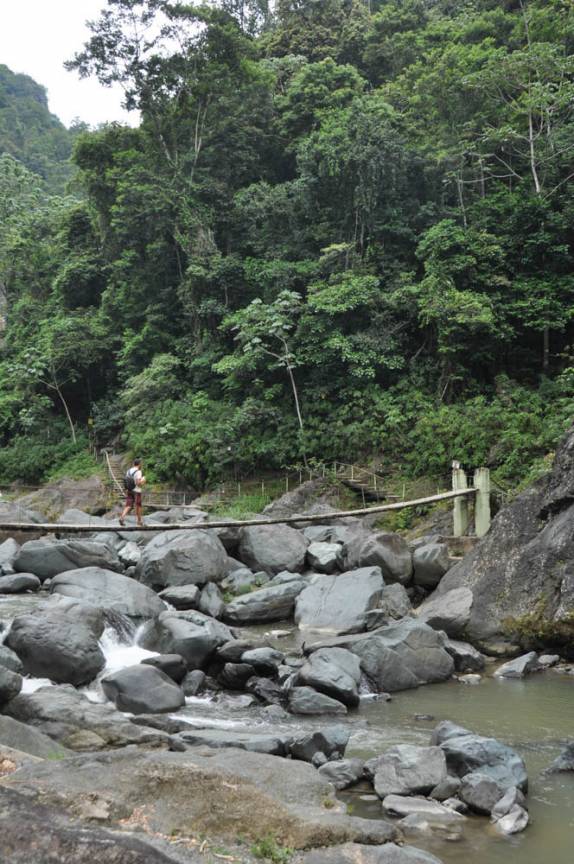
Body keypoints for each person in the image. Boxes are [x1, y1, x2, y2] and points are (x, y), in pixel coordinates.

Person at [119, 458, 146, 527]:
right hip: (136, 491)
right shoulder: (138, 471)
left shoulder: (128, 471)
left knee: (128, 505)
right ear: (139, 464)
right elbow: (138, 483)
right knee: (138, 506)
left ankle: (122, 518)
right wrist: (143, 480)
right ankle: (139, 522)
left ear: (133, 464)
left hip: (129, 490)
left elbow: (127, 481)